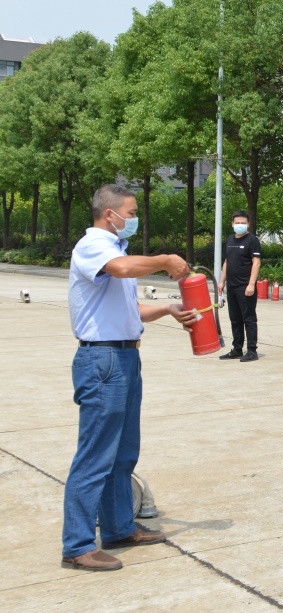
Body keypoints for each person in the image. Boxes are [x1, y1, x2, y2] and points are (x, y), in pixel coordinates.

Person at [62, 184, 198, 571]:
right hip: (102, 360)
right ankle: (77, 544)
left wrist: (168, 309)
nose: (134, 218)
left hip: (124, 357)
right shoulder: (94, 245)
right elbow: (122, 269)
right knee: (95, 456)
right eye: (131, 212)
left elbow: (130, 309)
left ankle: (119, 527)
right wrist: (165, 260)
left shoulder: (116, 252)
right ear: (110, 214)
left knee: (122, 453)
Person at [218, 210, 261, 362]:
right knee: (235, 319)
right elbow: (226, 262)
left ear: (248, 224)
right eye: (237, 223)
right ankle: (237, 348)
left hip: (245, 286)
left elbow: (256, 262)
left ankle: (252, 350)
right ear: (232, 224)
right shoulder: (230, 239)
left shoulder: (252, 240)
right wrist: (222, 281)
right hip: (232, 286)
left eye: (243, 223)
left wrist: (251, 284)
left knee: (248, 319)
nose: (240, 225)